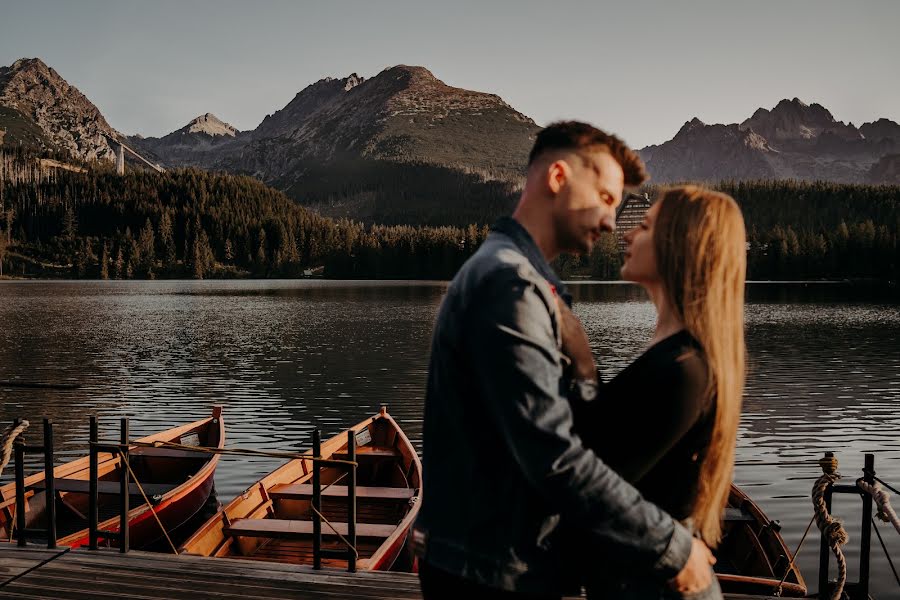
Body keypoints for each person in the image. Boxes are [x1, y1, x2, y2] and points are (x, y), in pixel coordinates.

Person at [412, 122, 717, 600]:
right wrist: (673, 546)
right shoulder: (509, 286)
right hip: (489, 574)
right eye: (606, 197)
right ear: (558, 177)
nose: (613, 222)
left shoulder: (526, 282)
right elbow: (553, 456)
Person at [566, 185, 747, 599]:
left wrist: (578, 365)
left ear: (680, 244)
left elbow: (589, 485)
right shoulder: (673, 356)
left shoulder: (686, 371)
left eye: (644, 226)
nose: (626, 234)